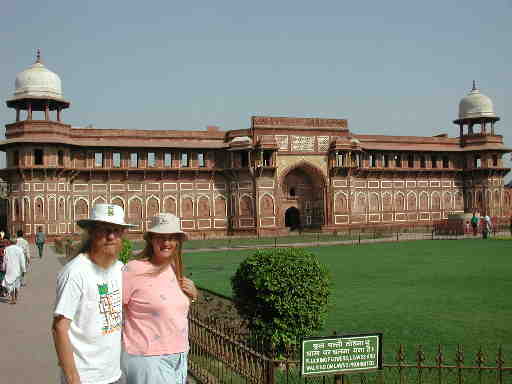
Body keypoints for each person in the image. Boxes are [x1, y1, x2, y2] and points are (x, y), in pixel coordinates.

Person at [52, 204, 133, 384]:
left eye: (116, 230)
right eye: (104, 230)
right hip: (85, 377)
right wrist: (72, 377)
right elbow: (59, 328)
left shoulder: (119, 268)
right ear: (91, 232)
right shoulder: (75, 272)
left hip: (114, 374)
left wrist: (183, 289)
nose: (111, 236)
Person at [122, 213, 198, 384]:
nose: (166, 243)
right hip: (148, 357)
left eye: (171, 238)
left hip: (179, 354)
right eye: (161, 238)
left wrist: (193, 296)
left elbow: (171, 309)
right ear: (151, 240)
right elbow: (113, 310)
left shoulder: (173, 268)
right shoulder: (134, 270)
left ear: (178, 241)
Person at [1, 234, 25, 304]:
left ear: (10, 242)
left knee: (11, 284)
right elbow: (22, 260)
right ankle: (16, 298)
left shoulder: (6, 249)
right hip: (17, 270)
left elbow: (5, 260)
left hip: (10, 269)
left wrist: (4, 267)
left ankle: (13, 298)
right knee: (17, 284)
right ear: (16, 241)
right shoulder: (20, 249)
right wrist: (23, 270)